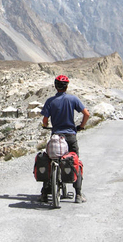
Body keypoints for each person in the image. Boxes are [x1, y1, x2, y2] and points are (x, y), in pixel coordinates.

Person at [40, 74, 90, 204]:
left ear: (55, 86)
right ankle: (78, 194)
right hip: (70, 136)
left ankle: (45, 193)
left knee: (50, 160)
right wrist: (81, 126)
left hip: (56, 136)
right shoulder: (73, 99)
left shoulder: (50, 101)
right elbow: (86, 114)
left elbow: (45, 120)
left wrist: (46, 125)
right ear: (67, 86)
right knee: (76, 163)